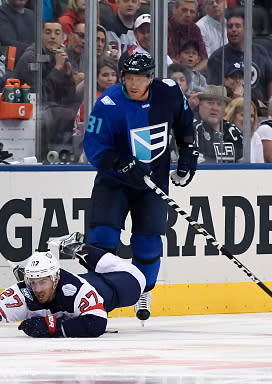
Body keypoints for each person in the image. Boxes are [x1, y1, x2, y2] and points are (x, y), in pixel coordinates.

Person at [83, 53, 197, 323]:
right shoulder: (108, 103)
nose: (134, 84)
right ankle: (100, 295)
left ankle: (144, 289)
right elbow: (94, 148)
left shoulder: (169, 92)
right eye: (129, 78)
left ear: (151, 77)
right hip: (114, 182)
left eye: (140, 78)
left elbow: (184, 121)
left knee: (147, 244)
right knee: (103, 239)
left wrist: (188, 151)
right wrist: (121, 163)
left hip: (152, 183)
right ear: (123, 77)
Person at [0, 233, 146, 338]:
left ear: (56, 278)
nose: (37, 289)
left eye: (43, 282)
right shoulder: (26, 292)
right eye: (33, 282)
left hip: (114, 286)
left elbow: (96, 324)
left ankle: (79, 248)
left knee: (137, 280)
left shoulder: (78, 289)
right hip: (82, 285)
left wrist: (51, 327)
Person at [13, 21, 78, 158]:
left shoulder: (60, 57)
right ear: (40, 36)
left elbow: (69, 97)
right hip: (29, 109)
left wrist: (67, 77)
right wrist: (56, 70)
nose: (52, 37)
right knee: (59, 114)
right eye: (48, 32)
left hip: (52, 108)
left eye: (57, 33)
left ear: (63, 39)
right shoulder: (30, 58)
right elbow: (38, 96)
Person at [206, 9, 272, 112]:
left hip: (261, 111)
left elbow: (271, 82)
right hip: (232, 111)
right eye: (230, 27)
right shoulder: (217, 58)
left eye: (237, 26)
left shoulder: (260, 51)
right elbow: (214, 93)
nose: (233, 30)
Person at [193, 85, 243, 163]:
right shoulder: (193, 130)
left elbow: (243, 163)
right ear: (200, 105)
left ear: (225, 108)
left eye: (219, 104)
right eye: (210, 103)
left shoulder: (233, 131)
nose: (215, 108)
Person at [168, 0, 208, 73]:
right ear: (174, 10)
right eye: (184, 10)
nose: (188, 15)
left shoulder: (195, 29)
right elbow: (169, 60)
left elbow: (205, 60)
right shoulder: (166, 27)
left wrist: (192, 73)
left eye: (192, 12)